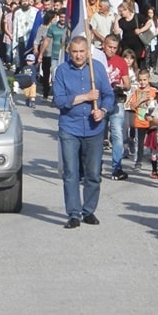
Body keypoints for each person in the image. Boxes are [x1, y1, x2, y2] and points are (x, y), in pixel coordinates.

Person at [53, 36, 115, 228]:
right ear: (69, 52)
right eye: (74, 52)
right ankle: (73, 213)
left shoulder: (96, 68)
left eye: (82, 51)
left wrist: (103, 110)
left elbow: (108, 96)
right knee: (71, 172)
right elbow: (60, 100)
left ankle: (89, 211)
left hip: (94, 128)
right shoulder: (62, 71)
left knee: (93, 173)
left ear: (88, 51)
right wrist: (84, 97)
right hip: (70, 128)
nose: (78, 55)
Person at [103, 35, 130, 180]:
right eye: (109, 47)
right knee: (99, 135)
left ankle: (117, 168)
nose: (111, 50)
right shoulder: (97, 59)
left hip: (116, 100)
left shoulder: (121, 62)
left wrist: (122, 86)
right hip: (100, 101)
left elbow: (128, 84)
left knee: (117, 135)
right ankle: (96, 166)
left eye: (114, 48)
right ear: (104, 45)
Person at [125, 68, 156, 173]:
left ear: (149, 79)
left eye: (144, 80)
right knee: (140, 144)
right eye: (140, 80)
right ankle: (138, 161)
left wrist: (151, 103)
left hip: (152, 122)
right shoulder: (136, 92)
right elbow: (132, 106)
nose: (142, 82)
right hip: (139, 122)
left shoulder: (154, 92)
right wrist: (141, 100)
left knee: (154, 142)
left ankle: (156, 160)